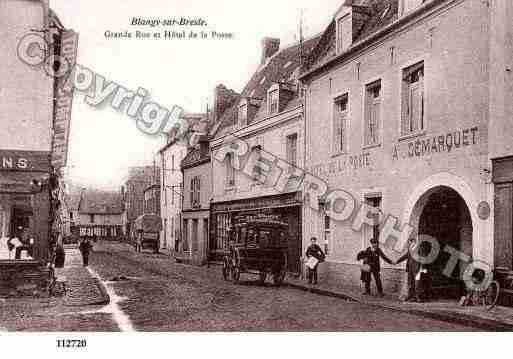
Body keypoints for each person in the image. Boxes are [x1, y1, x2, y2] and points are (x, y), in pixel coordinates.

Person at [396, 237, 421, 302]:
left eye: (410, 243)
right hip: (410, 269)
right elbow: (405, 256)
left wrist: (421, 268)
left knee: (417, 283)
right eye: (409, 243)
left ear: (414, 242)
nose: (409, 244)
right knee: (410, 282)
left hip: (417, 269)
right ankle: (411, 296)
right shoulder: (410, 249)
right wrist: (397, 261)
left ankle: (417, 297)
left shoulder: (419, 249)